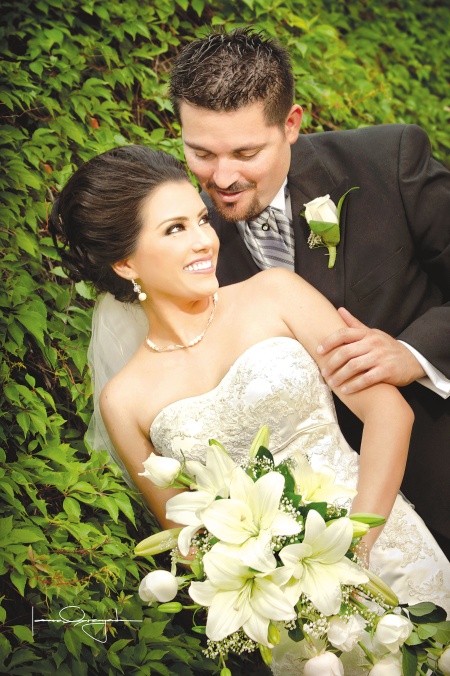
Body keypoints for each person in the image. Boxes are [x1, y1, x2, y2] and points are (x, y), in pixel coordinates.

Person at [49, 145, 450, 662]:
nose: (204, 240)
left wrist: (355, 547)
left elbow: (389, 411)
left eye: (200, 218)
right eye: (175, 230)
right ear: (126, 263)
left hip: (385, 542)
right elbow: (186, 540)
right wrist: (277, 586)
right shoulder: (124, 401)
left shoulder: (275, 294)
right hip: (286, 609)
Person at [168, 27, 450, 559]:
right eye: (200, 152)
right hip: (308, 541)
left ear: (291, 123)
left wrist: (413, 354)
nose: (222, 177)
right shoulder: (185, 237)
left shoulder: (389, 161)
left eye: (246, 152)